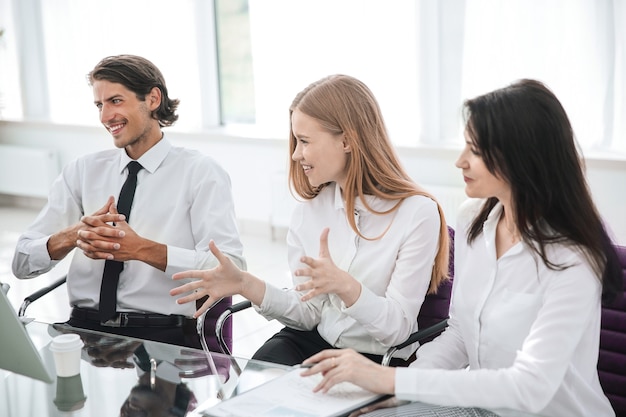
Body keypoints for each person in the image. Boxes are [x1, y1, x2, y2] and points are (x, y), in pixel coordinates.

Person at [299, 79, 623, 417]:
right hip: (481, 409)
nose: (460, 161)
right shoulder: (473, 223)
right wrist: (402, 388)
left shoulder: (576, 256)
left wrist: (392, 379)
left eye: (476, 150)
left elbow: (531, 387)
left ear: (523, 158)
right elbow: (459, 335)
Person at [170, 74, 450, 366]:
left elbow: (397, 330)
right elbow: (308, 314)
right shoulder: (309, 212)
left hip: (379, 358)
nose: (295, 154)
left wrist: (346, 286)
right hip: (315, 341)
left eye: (304, 141)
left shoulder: (418, 213)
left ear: (347, 141)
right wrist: (244, 283)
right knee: (255, 384)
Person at [12, 54, 245, 349]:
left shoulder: (200, 172)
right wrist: (74, 235)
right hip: (83, 331)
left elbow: (230, 266)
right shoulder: (83, 170)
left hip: (163, 337)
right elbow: (21, 262)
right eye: (99, 105)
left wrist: (141, 249)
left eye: (116, 101)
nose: (105, 116)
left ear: (152, 99)